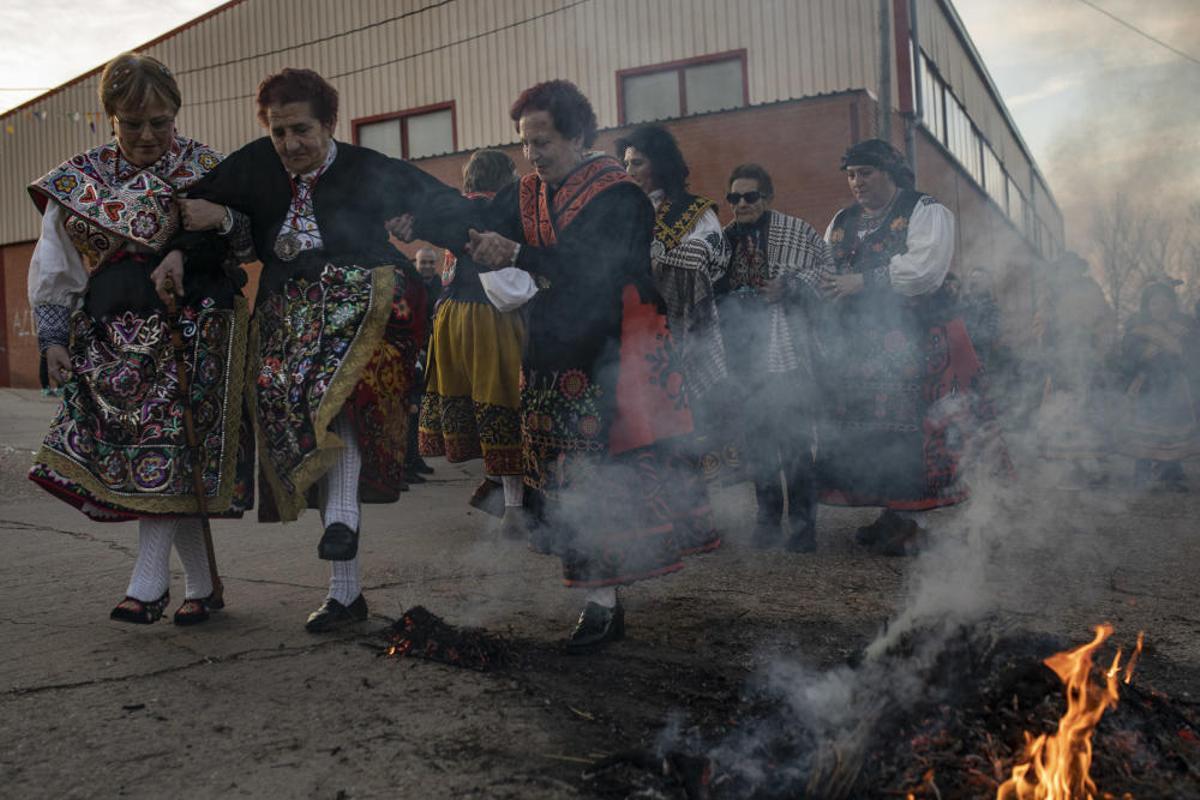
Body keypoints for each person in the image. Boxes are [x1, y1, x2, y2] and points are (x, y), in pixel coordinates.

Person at [406, 80, 703, 651]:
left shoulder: (618, 196)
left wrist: (518, 253)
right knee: (564, 480)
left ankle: (602, 603)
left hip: (611, 352)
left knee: (597, 477)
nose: (533, 155)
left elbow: (594, 269)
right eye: (525, 143)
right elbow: (472, 221)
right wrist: (417, 221)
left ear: (578, 136)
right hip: (548, 351)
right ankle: (597, 596)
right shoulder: (528, 195)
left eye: (542, 141)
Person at [175, 68, 442, 632]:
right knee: (299, 411)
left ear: (329, 124)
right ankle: (346, 595)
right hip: (288, 321)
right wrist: (181, 249)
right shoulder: (255, 164)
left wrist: (423, 221)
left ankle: (341, 527)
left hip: (361, 307)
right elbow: (194, 206)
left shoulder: (369, 168)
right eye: (279, 133)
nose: (290, 144)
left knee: (336, 399)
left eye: (301, 130)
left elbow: (439, 202)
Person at [26, 52, 253, 626]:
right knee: (163, 461)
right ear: (110, 118)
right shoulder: (79, 181)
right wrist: (52, 338)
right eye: (134, 123)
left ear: (177, 115)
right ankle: (201, 585)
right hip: (112, 335)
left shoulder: (209, 168)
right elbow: (56, 267)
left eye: (161, 122)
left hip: (199, 328)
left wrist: (218, 223)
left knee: (174, 450)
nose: (149, 134)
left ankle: (147, 585)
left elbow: (248, 240)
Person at [818, 139, 997, 555]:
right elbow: (828, 268)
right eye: (851, 174)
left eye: (865, 172)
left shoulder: (925, 211)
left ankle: (912, 522)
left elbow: (924, 272)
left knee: (909, 429)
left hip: (916, 337)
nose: (856, 182)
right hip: (860, 342)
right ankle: (889, 514)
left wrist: (862, 281)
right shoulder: (841, 220)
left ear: (890, 173)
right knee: (872, 430)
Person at [615, 125, 726, 554]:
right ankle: (652, 527)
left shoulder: (695, 211)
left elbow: (711, 260)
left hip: (681, 335)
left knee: (679, 433)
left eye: (637, 162)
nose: (629, 171)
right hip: (633, 332)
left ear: (660, 164)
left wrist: (662, 258)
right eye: (624, 163)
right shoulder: (622, 208)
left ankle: (693, 526)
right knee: (641, 434)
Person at [717, 163, 832, 553]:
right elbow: (711, 291)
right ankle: (767, 522)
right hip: (745, 357)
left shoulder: (797, 232)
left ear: (767, 198)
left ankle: (803, 527)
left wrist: (792, 284)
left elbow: (827, 270)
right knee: (759, 446)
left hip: (790, 354)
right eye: (734, 197)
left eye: (750, 196)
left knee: (796, 444)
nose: (741, 204)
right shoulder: (724, 239)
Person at [417, 150, 529, 538]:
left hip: (451, 319)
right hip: (490, 318)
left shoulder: (455, 210)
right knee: (503, 406)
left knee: (480, 410)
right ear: (504, 179)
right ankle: (515, 506)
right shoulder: (500, 211)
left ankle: (499, 491)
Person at [1034, 251, 1116, 486]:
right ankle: (1065, 465)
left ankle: (1093, 465)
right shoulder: (1050, 294)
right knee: (1062, 411)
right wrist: (1046, 338)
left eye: (1072, 268)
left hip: (1088, 359)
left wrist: (1099, 349)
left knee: (1090, 411)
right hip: (1060, 360)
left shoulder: (1092, 291)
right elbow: (1039, 324)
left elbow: (1105, 321)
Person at [1117, 281, 1200, 491]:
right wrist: (1151, 350)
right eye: (1155, 303)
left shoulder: (1184, 330)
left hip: (1176, 388)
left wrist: (1179, 348)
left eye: (1165, 303)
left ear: (1172, 306)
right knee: (1145, 429)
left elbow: (1192, 357)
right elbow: (1128, 359)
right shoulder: (1137, 331)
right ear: (1147, 306)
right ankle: (1142, 474)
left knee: (1173, 430)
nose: (1160, 308)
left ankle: (1170, 474)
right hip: (1147, 386)